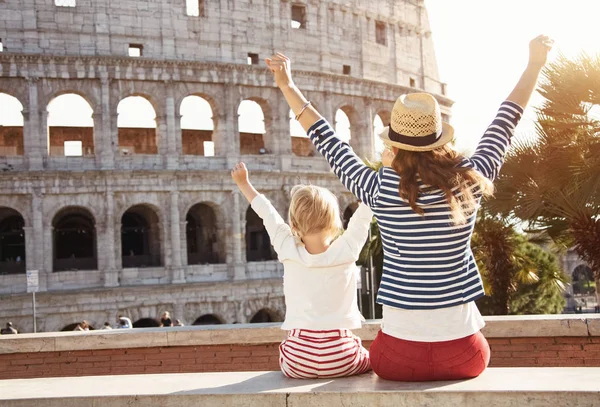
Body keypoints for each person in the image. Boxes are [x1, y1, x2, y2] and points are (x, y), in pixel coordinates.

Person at [265, 35, 553, 381]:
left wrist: (287, 84)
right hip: (465, 355)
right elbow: (505, 122)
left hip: (398, 358)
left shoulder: (378, 189)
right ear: (438, 139)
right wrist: (534, 64)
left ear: (396, 145)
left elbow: (328, 140)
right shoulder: (469, 182)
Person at [231, 162, 372, 379]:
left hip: (298, 359)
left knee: (287, 353)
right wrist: (383, 178)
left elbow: (267, 212)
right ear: (335, 222)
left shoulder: (287, 247)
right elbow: (362, 219)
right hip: (342, 356)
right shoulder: (347, 249)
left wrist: (244, 183)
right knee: (371, 356)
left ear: (294, 224)